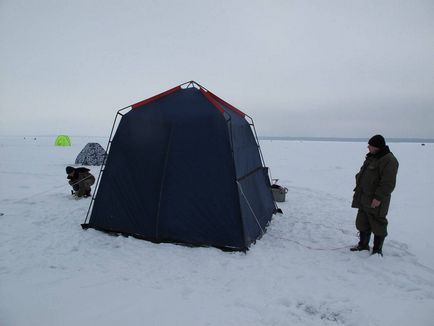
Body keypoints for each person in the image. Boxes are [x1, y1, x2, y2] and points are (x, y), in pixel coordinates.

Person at [350, 135, 399, 256]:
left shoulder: (389, 160)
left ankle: (377, 250)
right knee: (362, 222)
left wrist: (378, 198)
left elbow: (388, 183)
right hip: (364, 197)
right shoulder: (372, 157)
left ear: (377, 147)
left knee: (378, 223)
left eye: (370, 145)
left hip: (375, 199)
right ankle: (363, 245)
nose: (368, 147)